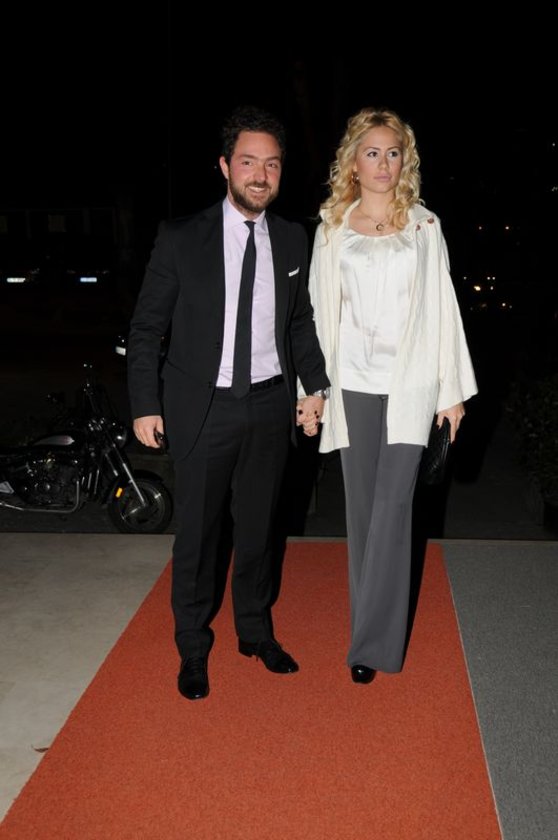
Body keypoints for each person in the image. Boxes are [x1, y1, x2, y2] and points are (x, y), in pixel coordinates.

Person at [127, 105, 329, 701]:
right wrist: (144, 404)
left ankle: (255, 632)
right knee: (198, 535)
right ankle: (192, 645)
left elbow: (299, 322)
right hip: (203, 409)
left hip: (269, 407)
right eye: (248, 162)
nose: (260, 175)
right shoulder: (181, 237)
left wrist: (314, 387)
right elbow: (146, 329)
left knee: (260, 530)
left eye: (272, 164)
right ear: (224, 166)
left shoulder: (292, 238)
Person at [299, 106, 477, 685]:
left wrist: (451, 391)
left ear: (405, 161)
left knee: (393, 507)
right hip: (351, 384)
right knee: (362, 512)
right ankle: (368, 632)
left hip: (410, 385)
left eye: (392, 153)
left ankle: (371, 645)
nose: (383, 163)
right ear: (353, 161)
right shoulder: (332, 228)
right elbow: (316, 314)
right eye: (372, 152)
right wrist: (312, 389)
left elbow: (444, 308)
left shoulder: (424, 227)